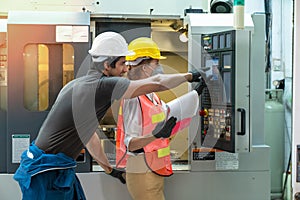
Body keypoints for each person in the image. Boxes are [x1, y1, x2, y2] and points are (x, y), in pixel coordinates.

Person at [13, 31, 205, 200]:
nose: (125, 68)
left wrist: (109, 169)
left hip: (55, 168)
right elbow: (157, 82)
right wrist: (191, 76)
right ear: (107, 65)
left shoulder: (75, 85)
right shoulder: (103, 85)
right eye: (122, 63)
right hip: (46, 171)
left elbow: (89, 136)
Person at [115, 37, 206, 200]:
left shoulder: (150, 94)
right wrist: (156, 135)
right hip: (142, 169)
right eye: (156, 63)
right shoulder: (133, 97)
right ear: (144, 66)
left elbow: (167, 111)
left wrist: (195, 94)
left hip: (151, 167)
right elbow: (130, 143)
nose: (159, 67)